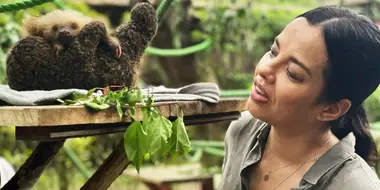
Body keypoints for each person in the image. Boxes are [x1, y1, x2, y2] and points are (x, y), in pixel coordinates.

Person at [219, 5, 380, 190]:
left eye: (292, 73)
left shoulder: (355, 185)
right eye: (273, 51)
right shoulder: (242, 131)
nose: (264, 69)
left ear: (331, 109)